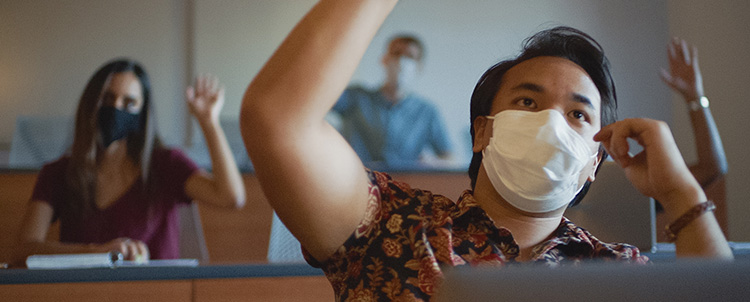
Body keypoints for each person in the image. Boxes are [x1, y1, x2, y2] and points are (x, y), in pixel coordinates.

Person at [240, 1, 732, 300]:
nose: (549, 123)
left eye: (578, 114)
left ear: (593, 164)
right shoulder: (391, 224)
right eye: (527, 101)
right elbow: (279, 121)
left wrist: (680, 192)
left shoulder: (621, 273)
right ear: (482, 133)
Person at [12, 59, 245, 266]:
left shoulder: (166, 164)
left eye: (129, 102)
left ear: (142, 113)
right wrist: (97, 253)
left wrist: (209, 122)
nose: (116, 109)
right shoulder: (58, 173)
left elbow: (231, 197)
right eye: (107, 98)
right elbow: (23, 251)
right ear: (91, 103)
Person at [330, 34, 454, 169]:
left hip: (404, 186)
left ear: (419, 66)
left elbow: (450, 158)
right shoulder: (356, 98)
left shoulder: (427, 111)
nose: (402, 61)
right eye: (396, 54)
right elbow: (318, 98)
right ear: (384, 60)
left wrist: (431, 162)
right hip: (356, 181)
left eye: (410, 57)